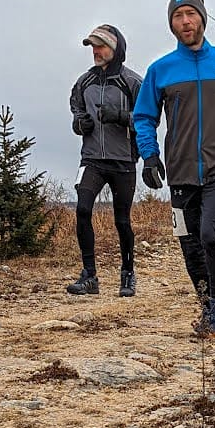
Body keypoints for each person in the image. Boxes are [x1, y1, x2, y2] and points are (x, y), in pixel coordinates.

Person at [133, 0, 215, 335]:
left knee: (210, 235)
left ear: (203, 19)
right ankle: (206, 306)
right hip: (180, 171)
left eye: (191, 14)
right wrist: (149, 155)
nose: (185, 21)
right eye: (178, 16)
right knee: (189, 243)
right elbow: (144, 116)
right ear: (171, 24)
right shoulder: (160, 70)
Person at [68, 25, 143, 296]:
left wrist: (121, 117)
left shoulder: (132, 82)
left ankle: (128, 274)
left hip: (123, 160)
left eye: (100, 46)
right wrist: (80, 124)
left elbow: (148, 119)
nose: (96, 51)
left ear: (116, 48)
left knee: (122, 221)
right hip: (92, 160)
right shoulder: (83, 82)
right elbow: (75, 109)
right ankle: (89, 276)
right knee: (83, 210)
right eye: (92, 46)